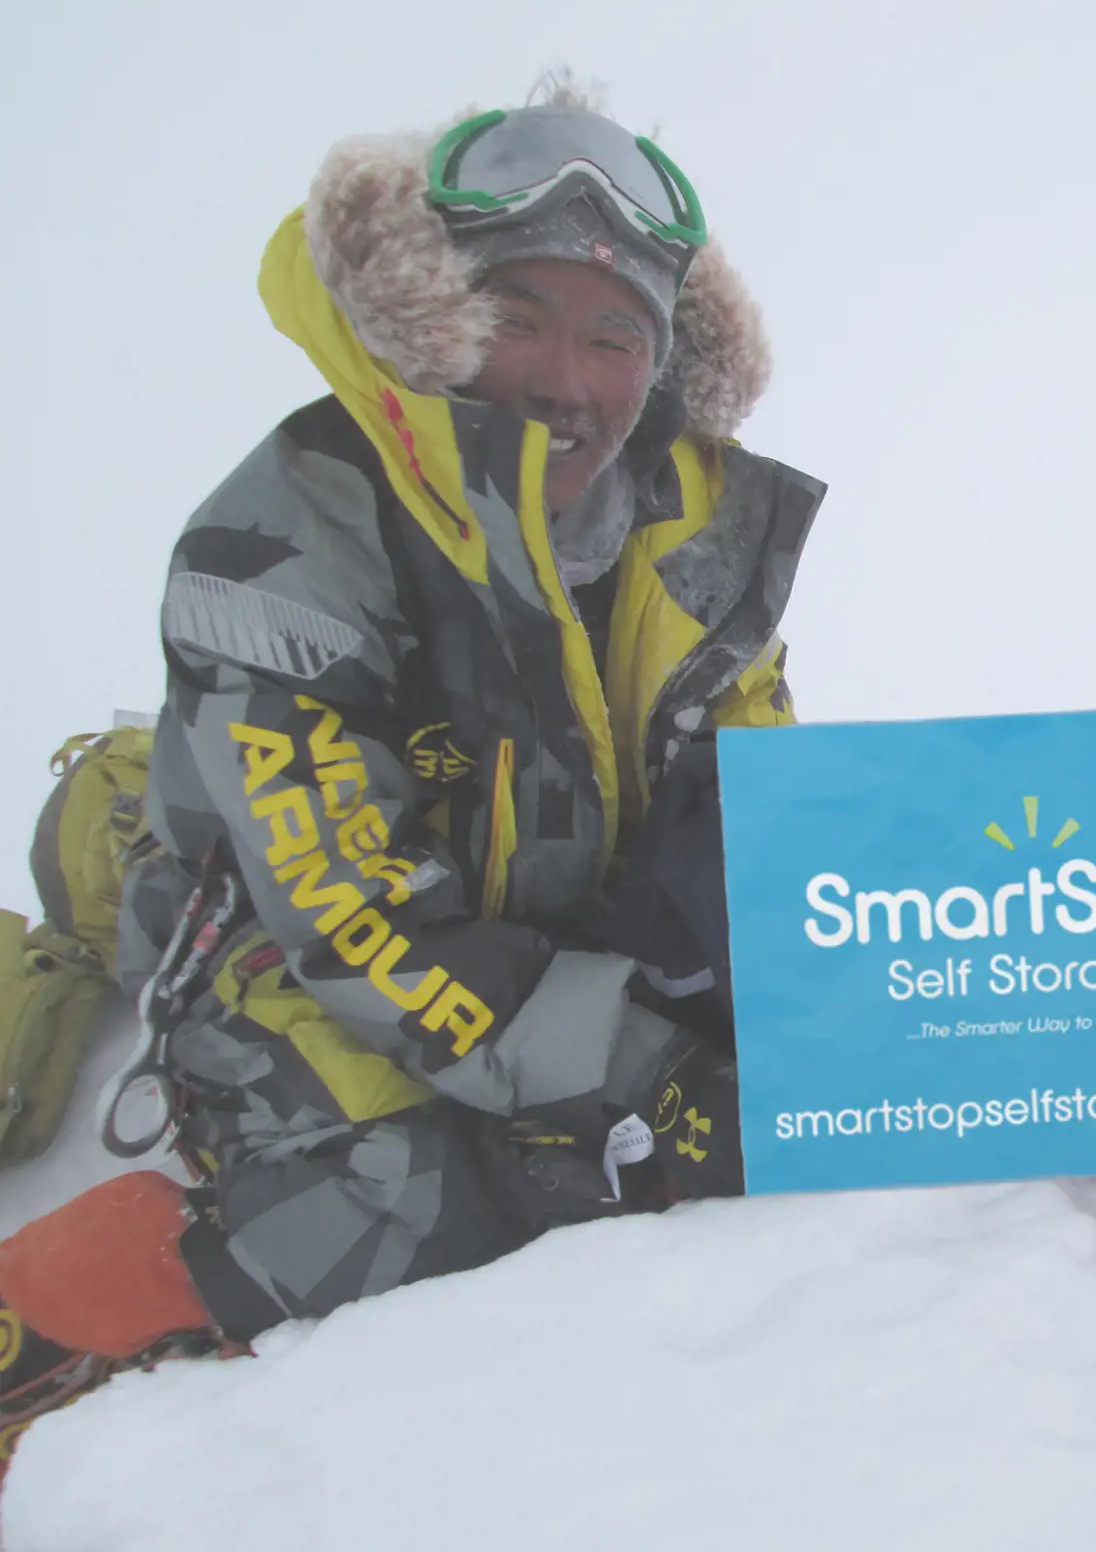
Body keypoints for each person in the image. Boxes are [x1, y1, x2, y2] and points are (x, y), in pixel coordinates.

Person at [0, 77, 823, 1457]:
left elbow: (757, 794)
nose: (566, 378)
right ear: (433, 320)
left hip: (540, 924)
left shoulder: (693, 535)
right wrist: (642, 1070)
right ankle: (64, 1311)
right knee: (417, 1187)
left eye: (615, 335)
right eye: (518, 316)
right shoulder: (283, 538)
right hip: (280, 935)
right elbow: (355, 919)